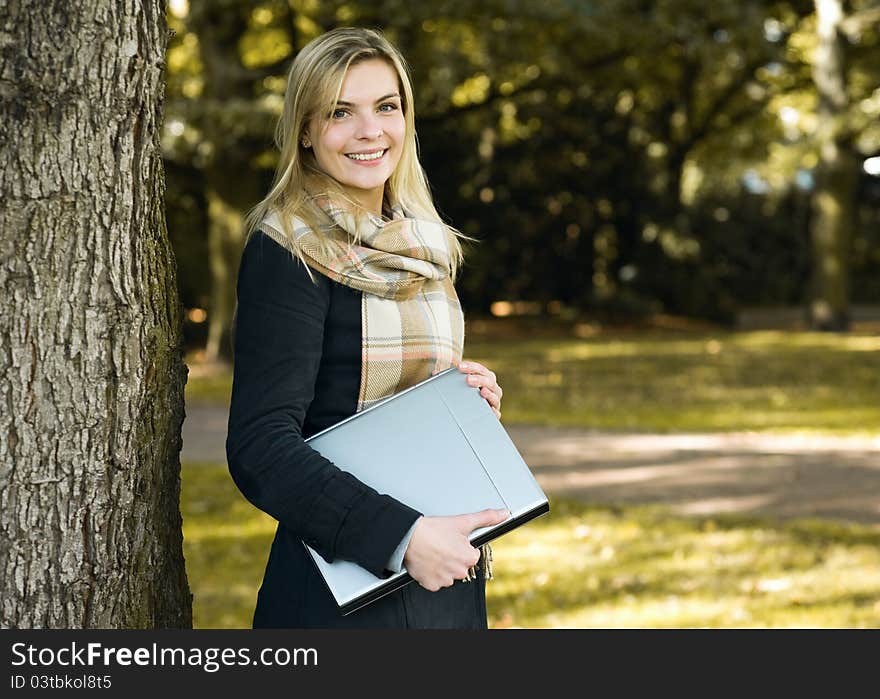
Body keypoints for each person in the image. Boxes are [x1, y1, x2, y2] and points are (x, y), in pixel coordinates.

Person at [226, 27, 507, 629]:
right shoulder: (288, 249)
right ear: (305, 130)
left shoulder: (417, 241)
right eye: (339, 113)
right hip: (348, 583)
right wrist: (400, 537)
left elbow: (394, 392)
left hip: (445, 569)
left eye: (386, 106)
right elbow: (260, 447)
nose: (370, 130)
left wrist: (462, 401)